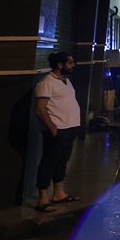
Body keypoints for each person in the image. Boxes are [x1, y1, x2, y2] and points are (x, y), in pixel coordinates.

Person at [34, 52, 82, 212]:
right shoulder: (47, 83)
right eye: (70, 63)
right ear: (60, 65)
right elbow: (40, 109)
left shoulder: (66, 81)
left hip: (69, 129)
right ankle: (42, 199)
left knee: (62, 161)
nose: (73, 65)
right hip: (58, 130)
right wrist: (53, 129)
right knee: (49, 162)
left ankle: (59, 193)